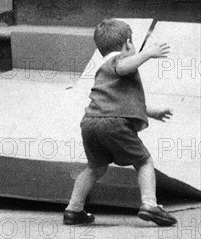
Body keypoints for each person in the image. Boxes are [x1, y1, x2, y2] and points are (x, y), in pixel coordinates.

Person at [63, 18, 177, 227]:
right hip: (113, 124)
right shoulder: (119, 62)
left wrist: (153, 112)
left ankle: (74, 209)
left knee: (95, 168)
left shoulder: (103, 68)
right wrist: (147, 54)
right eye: (133, 44)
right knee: (143, 161)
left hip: (91, 123)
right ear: (127, 44)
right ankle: (150, 204)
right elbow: (123, 67)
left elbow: (121, 102)